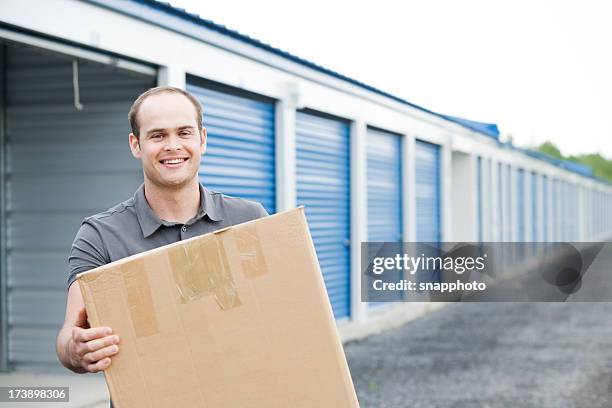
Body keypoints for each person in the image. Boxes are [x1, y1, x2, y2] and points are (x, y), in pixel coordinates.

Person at [55, 87, 268, 384]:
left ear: (202, 139)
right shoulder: (101, 235)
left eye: (184, 133)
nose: (172, 145)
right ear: (136, 145)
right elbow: (68, 336)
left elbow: (277, 310)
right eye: (157, 136)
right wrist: (77, 349)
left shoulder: (250, 220)